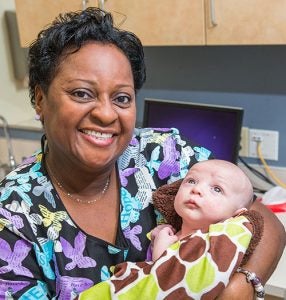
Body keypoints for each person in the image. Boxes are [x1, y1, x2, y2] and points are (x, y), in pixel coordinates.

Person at [0, 7, 284, 299]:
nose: (106, 114)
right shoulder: (13, 216)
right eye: (82, 93)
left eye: (122, 98)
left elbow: (262, 218)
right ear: (39, 99)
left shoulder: (164, 155)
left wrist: (243, 285)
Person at [77, 159, 264, 299]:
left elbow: (169, 278)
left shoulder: (214, 244)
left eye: (217, 189)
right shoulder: (166, 232)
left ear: (237, 214)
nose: (197, 189)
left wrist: (161, 250)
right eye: (191, 181)